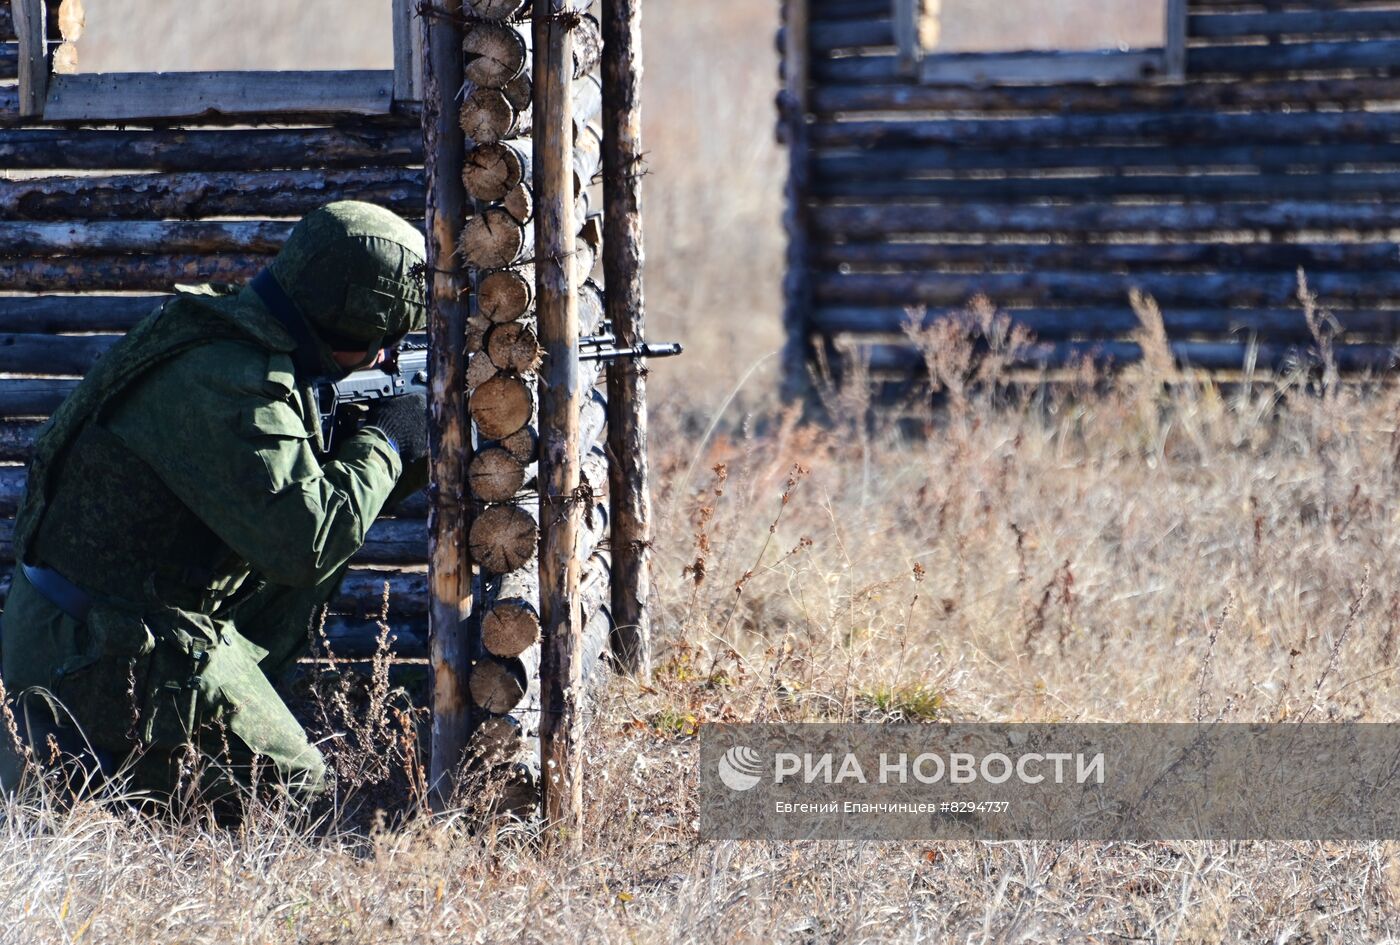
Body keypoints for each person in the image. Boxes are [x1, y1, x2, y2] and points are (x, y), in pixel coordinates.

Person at [0, 201, 431, 805]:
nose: (386, 356)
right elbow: (305, 542)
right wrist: (386, 442)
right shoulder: (232, 380)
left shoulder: (227, 332)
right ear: (349, 327)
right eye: (380, 342)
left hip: (93, 623)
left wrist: (398, 450)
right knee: (303, 796)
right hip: (100, 653)